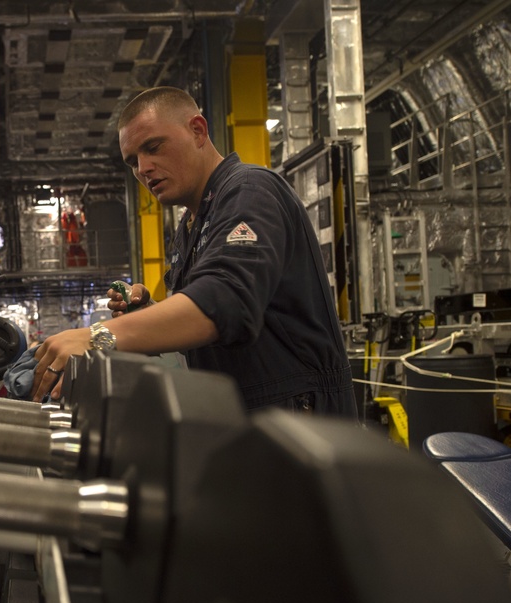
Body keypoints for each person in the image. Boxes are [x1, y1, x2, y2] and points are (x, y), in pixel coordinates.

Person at [31, 86, 357, 417]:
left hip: (301, 417)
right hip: (247, 415)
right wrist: (148, 311)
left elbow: (226, 304)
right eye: (133, 161)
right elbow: (205, 330)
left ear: (197, 131)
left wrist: (98, 337)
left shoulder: (249, 191)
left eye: (153, 147)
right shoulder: (193, 224)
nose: (144, 168)